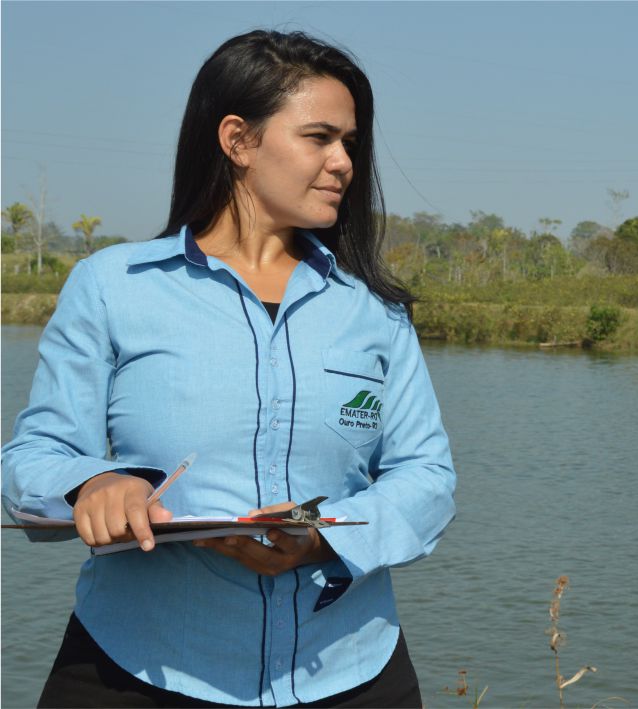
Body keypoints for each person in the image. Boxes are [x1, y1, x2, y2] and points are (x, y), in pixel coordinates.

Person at [1, 30, 455, 708]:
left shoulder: (374, 313)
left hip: (351, 671)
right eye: (320, 137)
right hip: (139, 668)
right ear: (238, 140)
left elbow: (427, 477)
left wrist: (320, 536)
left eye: (350, 144)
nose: (344, 163)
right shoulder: (111, 286)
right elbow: (34, 457)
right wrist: (94, 483)